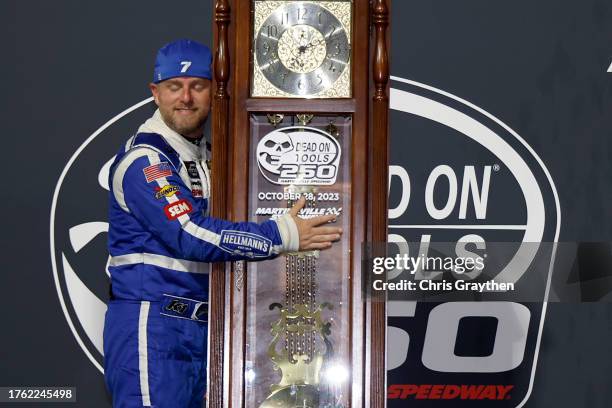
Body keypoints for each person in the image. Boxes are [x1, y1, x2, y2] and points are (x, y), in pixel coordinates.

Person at [103, 39, 342, 408]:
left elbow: (233, 224)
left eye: (197, 86)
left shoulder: (208, 158)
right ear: (155, 93)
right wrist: (280, 234)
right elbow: (188, 234)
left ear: (214, 92)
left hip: (206, 328)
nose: (185, 97)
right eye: (173, 87)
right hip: (151, 326)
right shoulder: (145, 161)